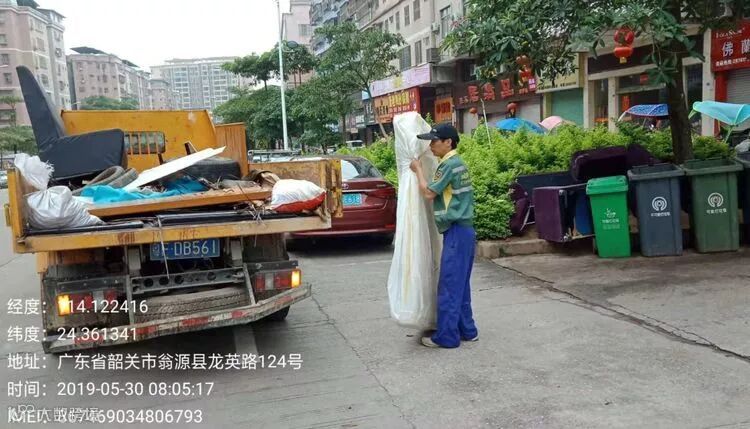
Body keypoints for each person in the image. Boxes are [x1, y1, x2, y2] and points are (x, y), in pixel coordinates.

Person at [409, 123, 478, 348]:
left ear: (448, 142)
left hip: (456, 232)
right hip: (466, 231)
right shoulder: (459, 164)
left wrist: (418, 170)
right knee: (461, 284)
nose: (431, 146)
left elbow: (429, 193)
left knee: (449, 285)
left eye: (434, 141)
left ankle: (447, 337)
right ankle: (468, 330)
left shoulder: (448, 165)